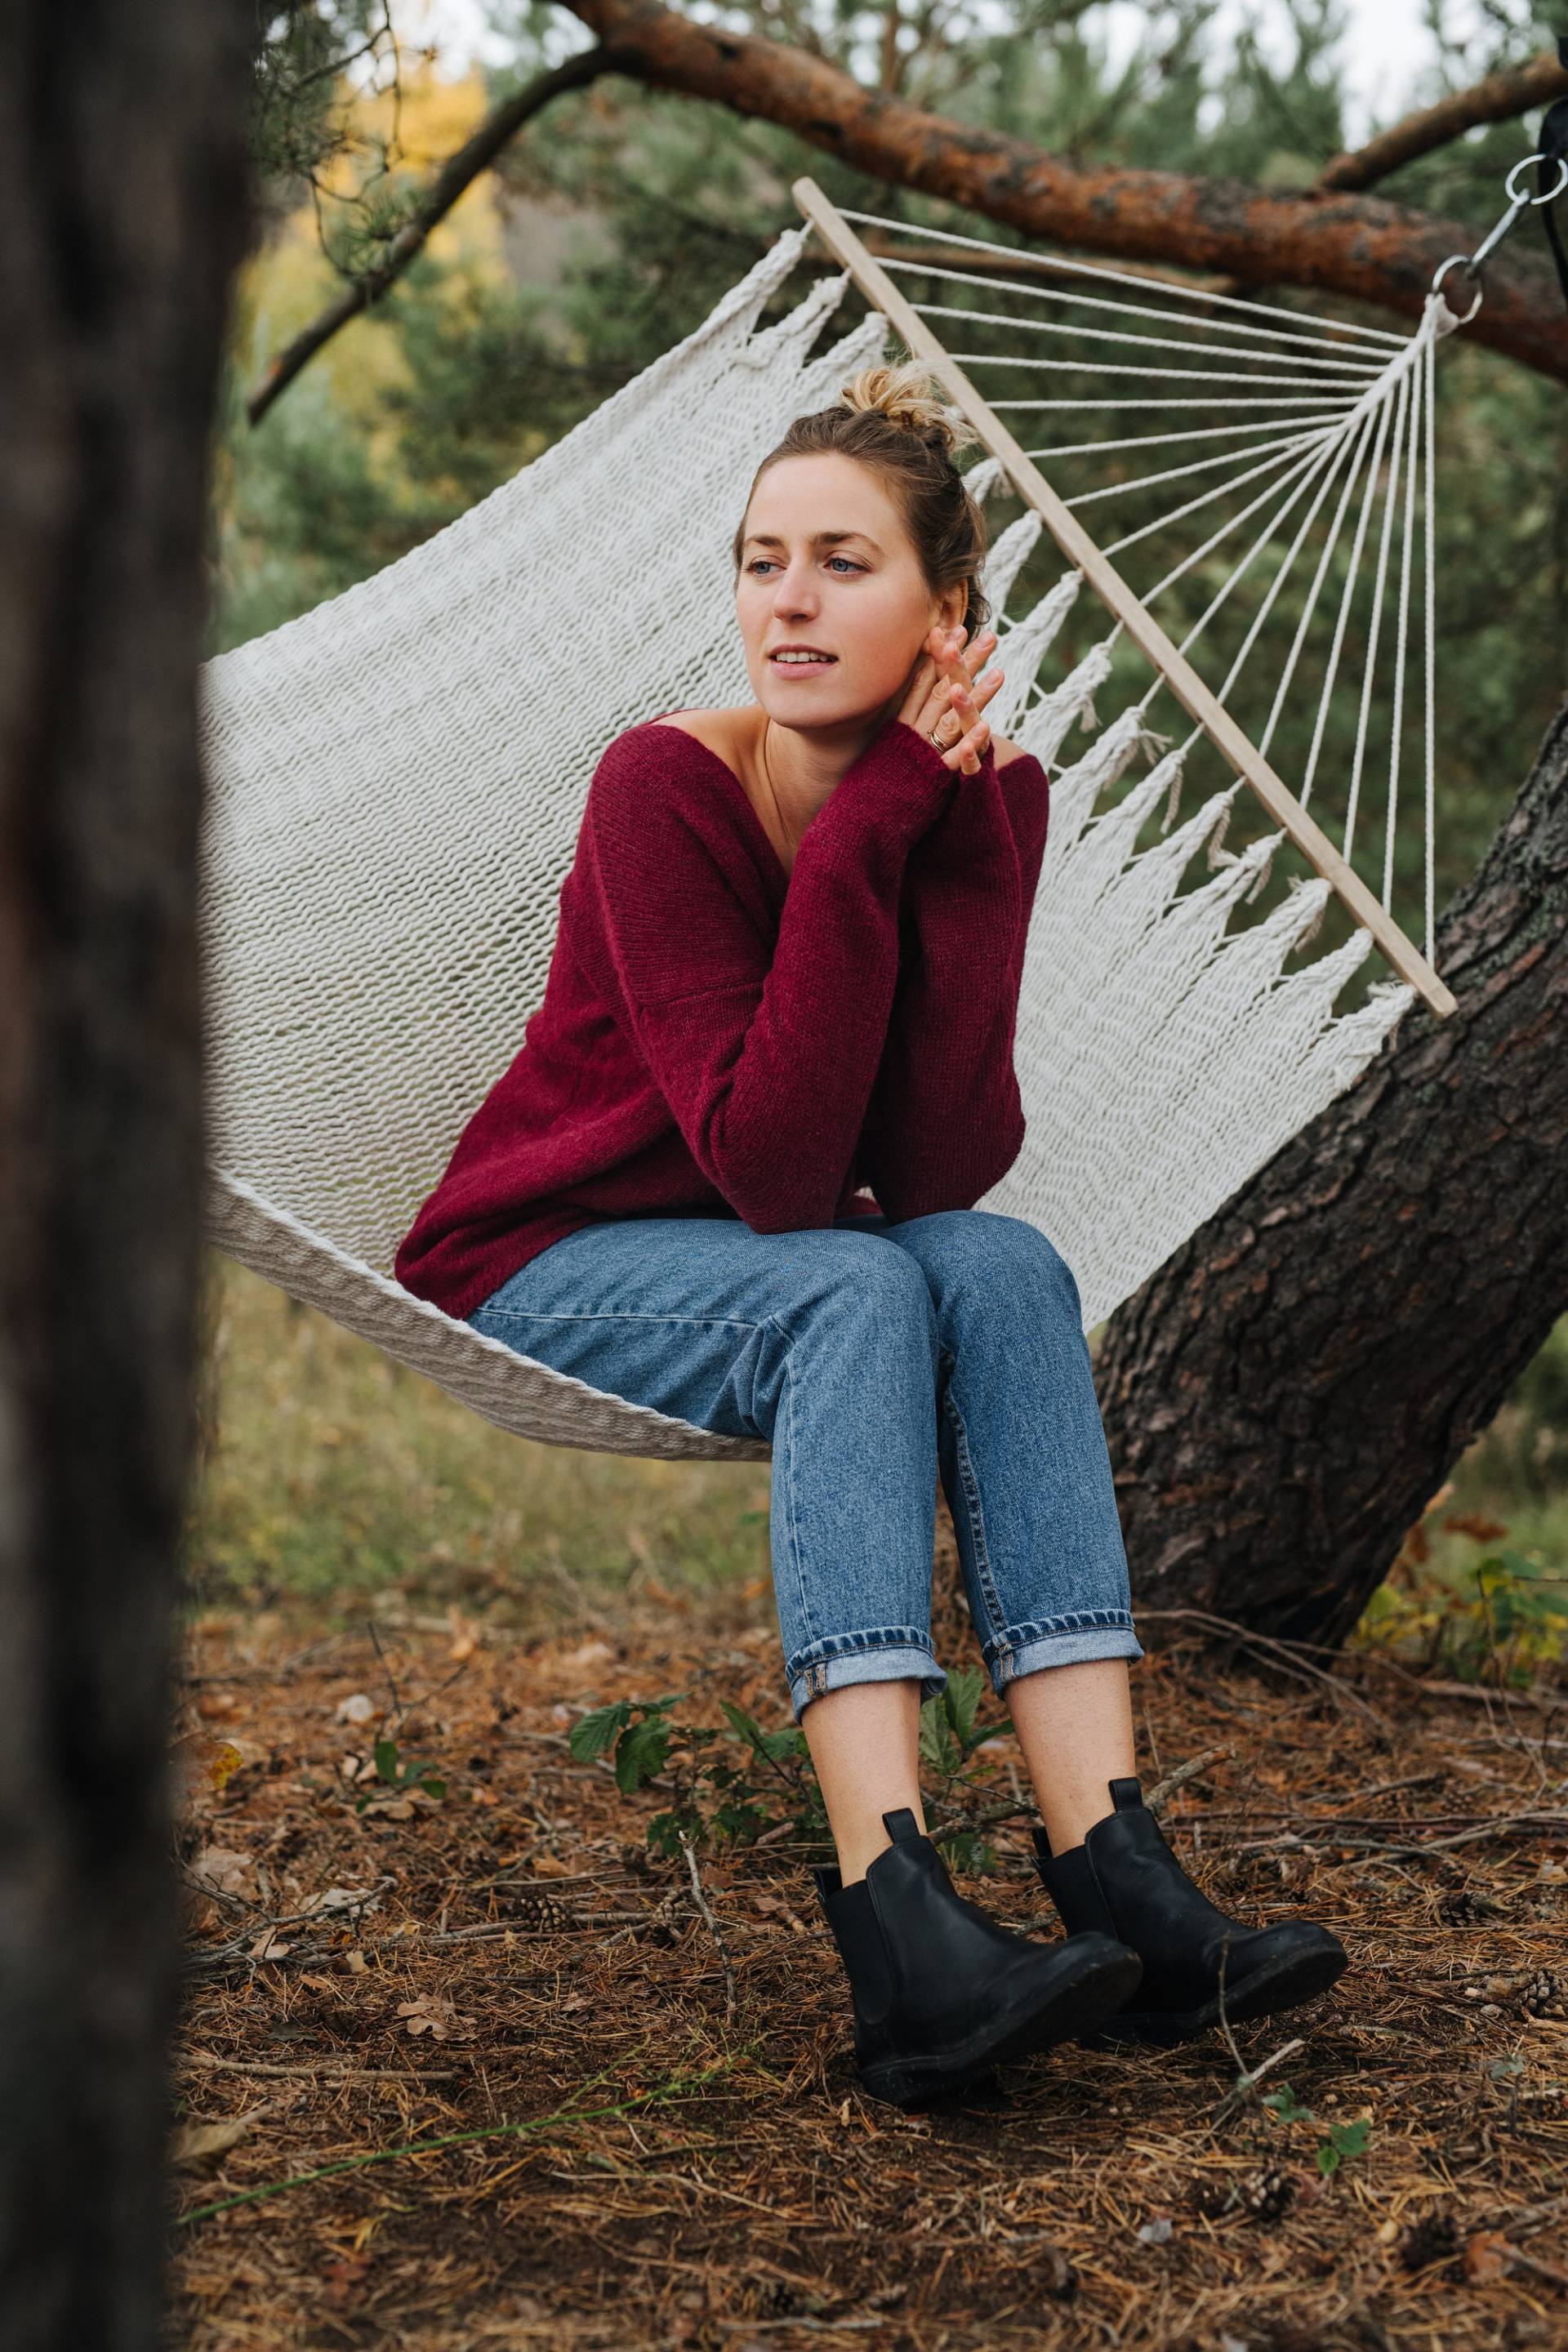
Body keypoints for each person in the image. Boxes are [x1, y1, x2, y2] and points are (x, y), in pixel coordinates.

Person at [394, 360, 1347, 2109]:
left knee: (1007, 1266)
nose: (790, 600)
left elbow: (936, 1162)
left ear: (948, 612)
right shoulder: (659, 790)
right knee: (849, 1289)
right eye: (763, 560)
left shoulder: (982, 803)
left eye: (842, 561)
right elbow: (771, 1170)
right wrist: (874, 833)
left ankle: (1109, 1861)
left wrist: (958, 842)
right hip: (547, 1261)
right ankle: (894, 1912)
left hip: (770, 1259)